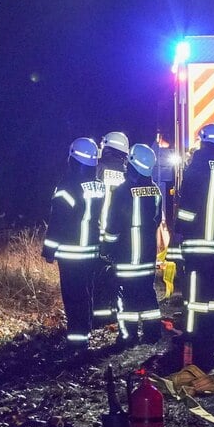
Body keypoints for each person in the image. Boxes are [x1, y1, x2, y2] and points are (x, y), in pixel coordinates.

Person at [168, 124, 214, 355]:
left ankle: (193, 334)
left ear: (204, 142)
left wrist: (179, 233)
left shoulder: (197, 166)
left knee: (195, 295)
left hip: (196, 245)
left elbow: (187, 207)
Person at [41, 137, 105, 350]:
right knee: (86, 293)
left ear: (73, 159)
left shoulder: (67, 186)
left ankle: (77, 340)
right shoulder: (99, 185)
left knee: (73, 295)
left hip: (71, 253)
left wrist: (49, 249)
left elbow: (58, 221)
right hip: (92, 251)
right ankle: (85, 332)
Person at [103, 143, 163, 346]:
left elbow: (113, 225)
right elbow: (156, 220)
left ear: (133, 165)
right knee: (147, 294)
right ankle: (152, 333)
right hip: (147, 257)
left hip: (126, 258)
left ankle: (128, 336)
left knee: (125, 297)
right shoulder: (155, 191)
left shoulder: (121, 191)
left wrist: (107, 247)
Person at [93, 131, 129, 327]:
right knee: (117, 277)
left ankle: (98, 318)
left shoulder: (97, 170)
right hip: (120, 235)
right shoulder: (127, 173)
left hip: (97, 232)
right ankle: (115, 313)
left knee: (97, 276)